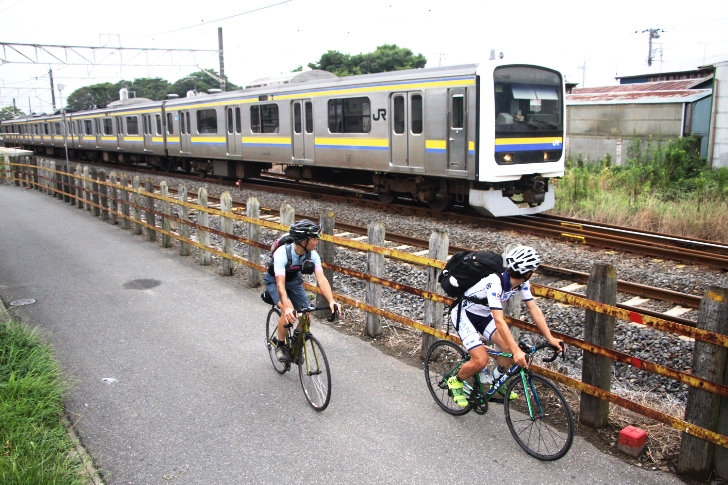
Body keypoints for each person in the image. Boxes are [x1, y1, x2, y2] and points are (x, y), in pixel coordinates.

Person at [446, 246, 563, 406]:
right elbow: (500, 320)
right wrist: (516, 351)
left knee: (507, 348)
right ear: (528, 272)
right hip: (465, 315)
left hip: (484, 316)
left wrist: (550, 337)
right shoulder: (495, 282)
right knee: (481, 361)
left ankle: (496, 381)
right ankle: (455, 381)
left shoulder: (522, 283)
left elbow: (533, 308)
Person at [264, 219, 340, 363]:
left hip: (293, 281)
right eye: (314, 239)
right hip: (275, 281)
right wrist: (286, 308)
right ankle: (280, 345)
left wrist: (331, 300)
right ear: (303, 241)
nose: (317, 241)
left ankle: (296, 341)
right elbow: (280, 285)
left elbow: (322, 279)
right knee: (289, 313)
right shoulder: (282, 253)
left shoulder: (312, 255)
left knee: (307, 315)